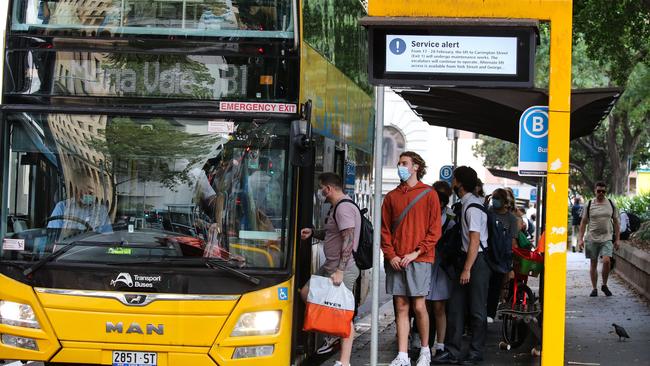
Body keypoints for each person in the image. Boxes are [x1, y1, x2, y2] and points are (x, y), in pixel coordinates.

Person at [381, 151, 441, 366]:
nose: (400, 166)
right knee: (401, 306)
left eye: (404, 163)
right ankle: (403, 355)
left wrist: (416, 252)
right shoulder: (391, 197)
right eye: (399, 163)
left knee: (419, 305)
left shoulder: (429, 194)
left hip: (420, 260)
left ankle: (425, 351)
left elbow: (435, 230)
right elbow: (384, 230)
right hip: (397, 260)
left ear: (416, 167)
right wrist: (391, 255)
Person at [300, 173, 361, 366]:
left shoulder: (343, 208)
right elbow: (333, 235)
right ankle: (332, 335)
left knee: (343, 315)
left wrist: (341, 270)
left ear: (329, 188)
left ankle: (344, 362)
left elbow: (348, 240)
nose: (320, 192)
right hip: (330, 266)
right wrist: (314, 233)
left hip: (341, 268)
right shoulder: (337, 207)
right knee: (306, 293)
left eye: (321, 188)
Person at [433, 166, 489, 365]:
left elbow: (475, 240)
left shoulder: (473, 206)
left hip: (476, 262)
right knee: (455, 307)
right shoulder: (465, 203)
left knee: (476, 310)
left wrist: (467, 268)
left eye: (454, 179)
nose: (451, 182)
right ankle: (452, 350)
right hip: (465, 260)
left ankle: (475, 353)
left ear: (460, 183)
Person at [578, 182, 620, 297]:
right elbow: (583, 222)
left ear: (605, 192)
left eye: (603, 191)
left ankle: (604, 285)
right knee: (593, 263)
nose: (601, 193)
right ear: (595, 191)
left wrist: (617, 239)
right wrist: (580, 239)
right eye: (599, 191)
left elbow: (616, 222)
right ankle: (594, 288)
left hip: (606, 237)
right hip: (592, 238)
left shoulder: (611, 203)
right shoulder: (589, 204)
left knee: (607, 261)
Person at [427, 180, 454, 356]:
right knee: (426, 307)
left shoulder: (451, 219)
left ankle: (441, 344)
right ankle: (426, 344)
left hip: (442, 266)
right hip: (426, 263)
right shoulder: (424, 214)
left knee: (439, 306)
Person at [485, 189, 518, 324]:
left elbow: (513, 241)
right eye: (493, 198)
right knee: (484, 286)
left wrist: (511, 264)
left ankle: (490, 313)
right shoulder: (488, 213)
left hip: (502, 258)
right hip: (487, 254)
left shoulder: (511, 219)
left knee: (496, 286)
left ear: (504, 201)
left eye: (497, 198)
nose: (495, 200)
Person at [47, 181, 111, 235]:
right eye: (82, 191)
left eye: (91, 193)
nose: (87, 195)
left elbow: (107, 237)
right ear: (77, 191)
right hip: (68, 248)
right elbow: (53, 235)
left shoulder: (101, 211)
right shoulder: (62, 207)